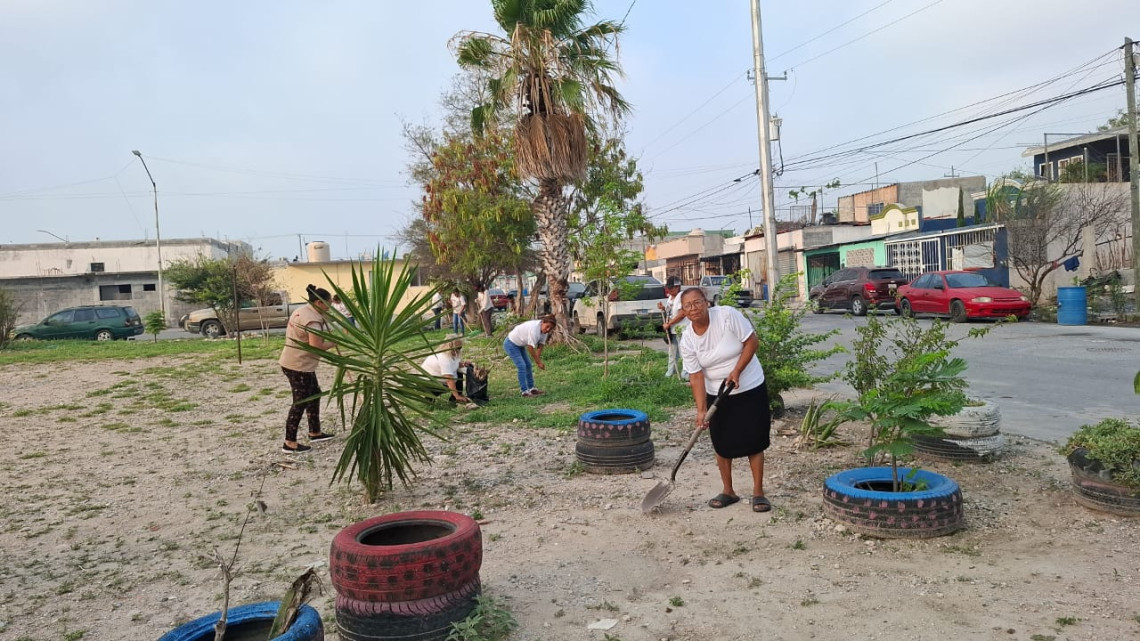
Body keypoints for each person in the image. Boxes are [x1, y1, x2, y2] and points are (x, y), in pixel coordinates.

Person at [677, 287, 772, 513]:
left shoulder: (727, 315)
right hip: (716, 393)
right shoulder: (688, 340)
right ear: (683, 312)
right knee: (721, 443)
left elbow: (751, 342)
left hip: (749, 385)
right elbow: (696, 375)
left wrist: (737, 371)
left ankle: (758, 492)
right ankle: (728, 490)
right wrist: (701, 410)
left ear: (707, 302)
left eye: (697, 302)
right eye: (688, 306)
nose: (694, 308)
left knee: (754, 440)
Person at [278, 284, 338, 453]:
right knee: (301, 401)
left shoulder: (305, 310)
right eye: (328, 304)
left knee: (314, 394)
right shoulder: (312, 319)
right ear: (319, 303)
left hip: (296, 362)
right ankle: (289, 442)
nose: (330, 307)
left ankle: (315, 432)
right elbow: (316, 346)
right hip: (298, 365)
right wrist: (335, 342)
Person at [503, 314, 555, 397]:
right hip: (511, 344)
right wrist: (538, 362)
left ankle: (532, 389)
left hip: (520, 344)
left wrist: (538, 360)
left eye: (550, 328)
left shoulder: (544, 332)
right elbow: (530, 348)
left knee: (528, 365)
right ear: (542, 322)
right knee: (522, 366)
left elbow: (540, 346)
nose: (548, 329)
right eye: (547, 326)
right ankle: (524, 391)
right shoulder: (534, 329)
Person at [422, 334, 471, 404]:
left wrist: (461, 364)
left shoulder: (450, 354)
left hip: (436, 378)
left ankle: (455, 396)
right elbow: (449, 379)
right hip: (428, 383)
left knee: (459, 371)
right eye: (458, 348)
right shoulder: (444, 358)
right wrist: (456, 396)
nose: (460, 350)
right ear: (451, 347)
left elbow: (453, 365)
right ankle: (430, 398)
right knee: (453, 377)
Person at [660, 276, 688, 379]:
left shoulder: (682, 296)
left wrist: (669, 323)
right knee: (672, 352)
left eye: (671, 288)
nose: (669, 290)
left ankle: (686, 375)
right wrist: (662, 308)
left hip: (682, 329)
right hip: (672, 330)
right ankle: (670, 373)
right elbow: (670, 311)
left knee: (684, 353)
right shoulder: (671, 298)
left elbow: (682, 314)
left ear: (677, 287)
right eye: (668, 288)